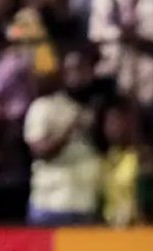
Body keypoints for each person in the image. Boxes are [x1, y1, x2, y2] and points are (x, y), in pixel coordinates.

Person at [23, 48, 102, 226]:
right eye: (72, 69)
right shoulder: (44, 107)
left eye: (83, 68)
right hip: (51, 205)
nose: (78, 75)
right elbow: (40, 151)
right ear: (62, 73)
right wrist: (70, 128)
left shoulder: (97, 108)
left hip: (87, 204)